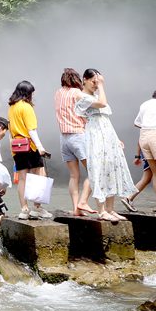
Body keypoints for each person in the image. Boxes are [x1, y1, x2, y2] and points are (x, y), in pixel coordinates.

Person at [76, 69, 135, 222]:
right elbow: (102, 104)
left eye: (98, 82)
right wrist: (101, 85)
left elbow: (105, 119)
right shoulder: (81, 96)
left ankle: (110, 209)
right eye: (93, 82)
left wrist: (115, 138)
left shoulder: (96, 95)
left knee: (111, 169)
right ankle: (101, 210)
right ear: (85, 80)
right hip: (95, 135)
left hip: (107, 135)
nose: (96, 85)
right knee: (98, 169)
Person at [8, 80, 52, 220]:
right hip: (29, 145)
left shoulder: (12, 107)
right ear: (27, 93)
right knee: (40, 174)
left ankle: (24, 209)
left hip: (17, 146)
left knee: (22, 179)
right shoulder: (26, 107)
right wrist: (40, 147)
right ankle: (37, 208)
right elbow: (31, 130)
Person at [55, 68, 95, 216]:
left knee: (73, 176)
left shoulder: (58, 93)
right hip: (78, 135)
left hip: (64, 138)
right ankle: (83, 202)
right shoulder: (77, 93)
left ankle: (76, 209)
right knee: (93, 171)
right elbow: (88, 111)